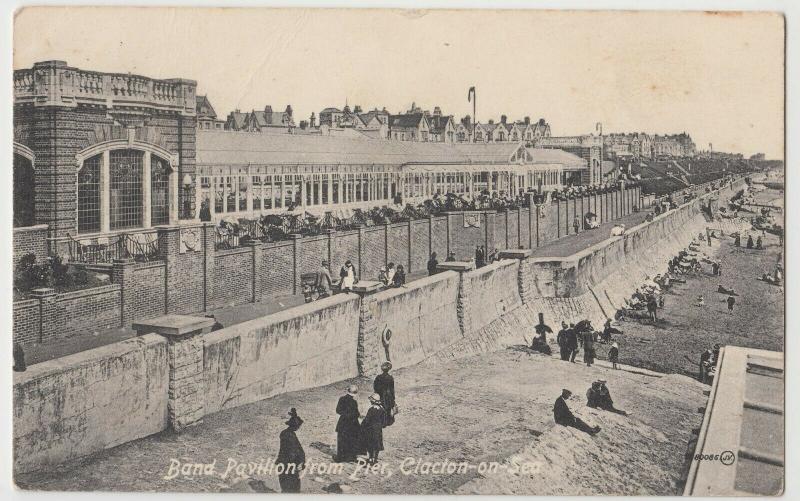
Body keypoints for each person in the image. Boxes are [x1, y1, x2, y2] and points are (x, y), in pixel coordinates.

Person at [276, 408, 305, 493]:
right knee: (292, 487)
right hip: (289, 464)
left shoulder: (285, 433)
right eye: (298, 426)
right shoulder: (290, 436)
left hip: (283, 462)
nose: (298, 428)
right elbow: (293, 451)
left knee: (286, 486)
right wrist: (298, 462)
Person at [335, 385, 361, 463]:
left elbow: (338, 410)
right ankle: (351, 456)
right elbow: (357, 414)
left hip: (343, 422)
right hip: (352, 423)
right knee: (352, 440)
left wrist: (345, 415)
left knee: (341, 439)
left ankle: (340, 457)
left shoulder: (342, 399)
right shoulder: (354, 402)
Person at [361, 393, 386, 464]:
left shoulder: (371, 409)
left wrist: (362, 425)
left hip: (370, 429)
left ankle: (370, 458)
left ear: (373, 401)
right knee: (377, 444)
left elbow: (367, 420)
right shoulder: (382, 409)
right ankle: (375, 459)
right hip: (378, 430)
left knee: (370, 444)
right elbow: (384, 422)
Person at [373, 362, 396, 426]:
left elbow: (375, 387)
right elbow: (392, 389)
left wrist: (377, 393)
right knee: (388, 407)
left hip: (381, 394)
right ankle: (389, 421)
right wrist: (393, 397)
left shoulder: (378, 377)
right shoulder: (390, 377)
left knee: (381, 407)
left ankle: (382, 421)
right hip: (388, 395)